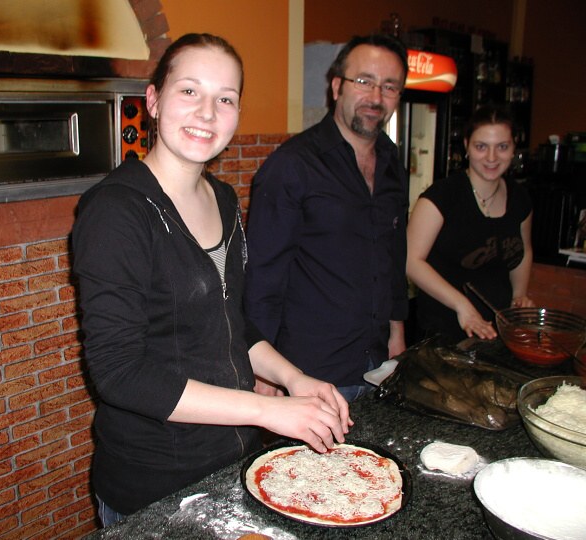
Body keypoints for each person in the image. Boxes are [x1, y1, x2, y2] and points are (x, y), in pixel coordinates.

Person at [71, 33, 352, 527]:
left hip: (231, 462)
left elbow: (232, 323)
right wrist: (265, 411)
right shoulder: (116, 212)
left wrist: (293, 378)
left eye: (225, 99)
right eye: (189, 91)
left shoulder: (223, 199)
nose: (206, 112)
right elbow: (119, 373)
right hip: (154, 485)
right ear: (153, 100)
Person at [244, 34, 410, 401]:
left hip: (378, 362)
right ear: (337, 87)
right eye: (364, 81)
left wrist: (397, 330)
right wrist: (264, 370)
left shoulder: (393, 163)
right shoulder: (291, 166)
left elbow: (393, 255)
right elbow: (262, 278)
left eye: (389, 86)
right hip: (309, 372)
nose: (376, 97)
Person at [406, 105, 534, 341]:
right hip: (444, 329)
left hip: (498, 329)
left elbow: (523, 251)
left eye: (502, 147)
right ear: (467, 146)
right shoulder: (441, 197)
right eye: (481, 146)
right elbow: (411, 261)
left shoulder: (520, 198)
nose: (492, 157)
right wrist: (461, 305)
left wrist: (519, 295)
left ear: (514, 147)